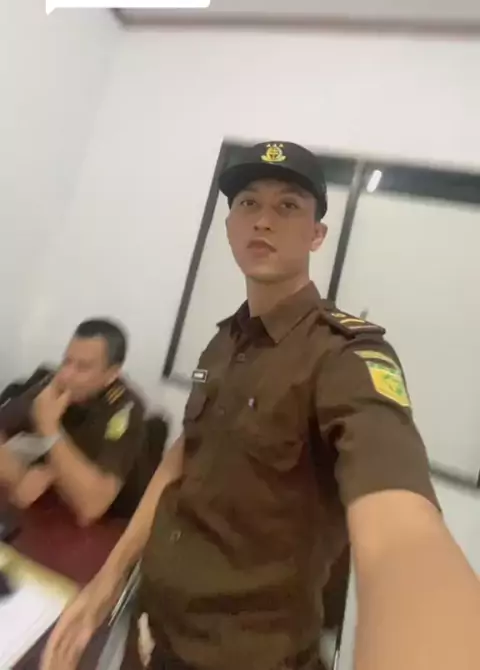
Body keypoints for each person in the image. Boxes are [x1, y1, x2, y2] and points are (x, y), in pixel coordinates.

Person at [42, 142, 480, 670]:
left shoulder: (345, 356)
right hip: (152, 628)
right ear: (229, 227)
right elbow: (183, 459)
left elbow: (403, 533)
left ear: (317, 235)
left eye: (288, 205)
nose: (263, 220)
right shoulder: (223, 341)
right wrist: (109, 580)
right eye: (248, 203)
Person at [0, 318, 146, 524]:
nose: (66, 375)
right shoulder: (52, 383)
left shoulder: (124, 409)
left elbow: (92, 507)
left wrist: (49, 429)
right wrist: (19, 477)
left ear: (111, 374)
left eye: (83, 367)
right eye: (66, 361)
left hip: (102, 526)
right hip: (46, 511)